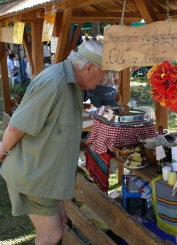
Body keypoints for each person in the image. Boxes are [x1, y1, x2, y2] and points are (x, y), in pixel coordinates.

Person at [0, 40, 109, 245]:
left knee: (59, 223)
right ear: (88, 68)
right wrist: (3, 151)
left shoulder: (72, 81)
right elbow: (16, 127)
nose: (101, 81)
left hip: (48, 175)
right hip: (35, 173)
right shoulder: (53, 83)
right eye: (102, 75)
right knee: (51, 235)